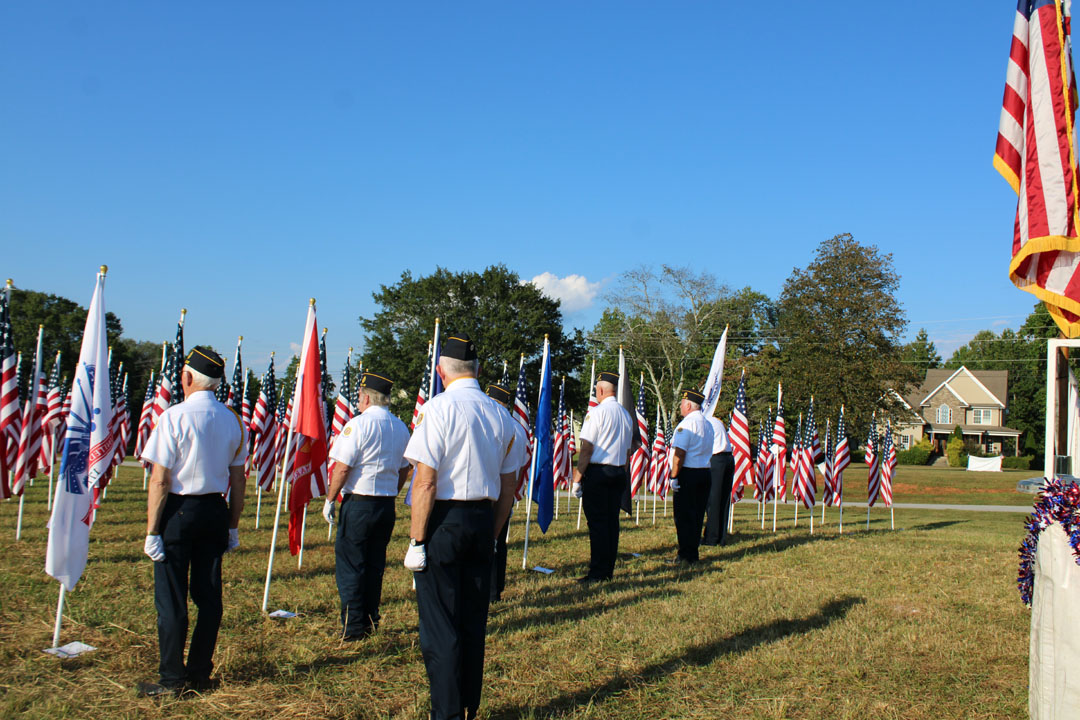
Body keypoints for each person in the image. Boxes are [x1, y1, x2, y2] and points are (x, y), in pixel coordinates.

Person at [402, 333, 525, 720]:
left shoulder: (437, 409)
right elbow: (509, 486)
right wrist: (494, 533)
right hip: (482, 519)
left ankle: (447, 713)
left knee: (440, 626)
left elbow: (425, 483)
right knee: (473, 622)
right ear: (478, 370)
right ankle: (468, 705)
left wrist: (417, 540)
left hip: (443, 521)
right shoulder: (501, 415)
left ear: (441, 372)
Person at [137, 346, 248, 697]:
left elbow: (160, 480)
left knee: (172, 599)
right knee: (208, 596)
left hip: (179, 510)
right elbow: (239, 478)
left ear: (187, 377)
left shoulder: (174, 416)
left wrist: (152, 530)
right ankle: (200, 672)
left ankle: (172, 679)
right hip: (215, 509)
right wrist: (232, 524)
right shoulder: (233, 420)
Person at [323, 371, 412, 640]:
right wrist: (391, 491)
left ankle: (352, 627)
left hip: (359, 503)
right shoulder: (400, 427)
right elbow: (404, 468)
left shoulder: (358, 425)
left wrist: (330, 499)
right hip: (385, 505)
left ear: (366, 398)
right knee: (375, 565)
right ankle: (370, 619)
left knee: (352, 566)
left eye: (360, 397)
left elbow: (342, 468)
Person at [571, 370, 632, 583]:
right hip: (618, 471)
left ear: (600, 390)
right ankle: (607, 570)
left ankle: (597, 572)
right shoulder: (626, 415)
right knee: (611, 524)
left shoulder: (596, 413)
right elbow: (627, 451)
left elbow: (586, 449)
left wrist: (577, 478)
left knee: (597, 524)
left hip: (599, 473)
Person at [484, 382, 531, 603]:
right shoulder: (518, 429)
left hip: (489, 490)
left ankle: (486, 590)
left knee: (486, 541)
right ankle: (495, 589)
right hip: (506, 491)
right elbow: (520, 466)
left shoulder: (490, 423)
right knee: (498, 540)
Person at [668, 388, 714, 565]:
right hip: (704, 472)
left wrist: (674, 476)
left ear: (688, 405)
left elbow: (679, 454)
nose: (680, 407)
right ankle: (692, 553)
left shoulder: (686, 425)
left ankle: (685, 554)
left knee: (683, 516)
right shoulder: (707, 424)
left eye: (682, 404)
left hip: (688, 473)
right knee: (697, 516)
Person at [702, 412, 734, 546]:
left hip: (716, 459)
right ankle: (721, 536)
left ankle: (712, 537)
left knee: (713, 500)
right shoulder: (716, 421)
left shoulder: (704, 422)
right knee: (723, 500)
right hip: (728, 458)